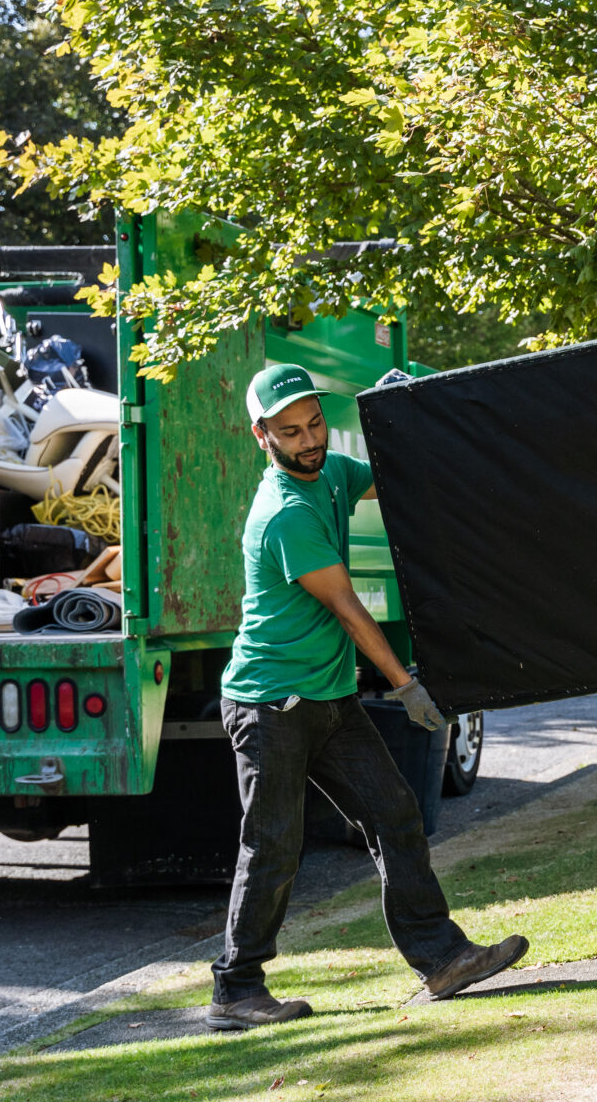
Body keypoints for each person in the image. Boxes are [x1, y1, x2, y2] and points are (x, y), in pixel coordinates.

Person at [207, 363, 528, 1030]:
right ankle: (235, 991)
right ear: (261, 435)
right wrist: (406, 685)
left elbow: (388, 474)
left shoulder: (328, 477)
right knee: (272, 845)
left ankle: (442, 959)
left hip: (327, 697)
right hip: (272, 705)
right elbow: (350, 610)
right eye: (290, 431)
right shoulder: (286, 514)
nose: (309, 440)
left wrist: (407, 406)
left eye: (316, 423)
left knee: (395, 812)